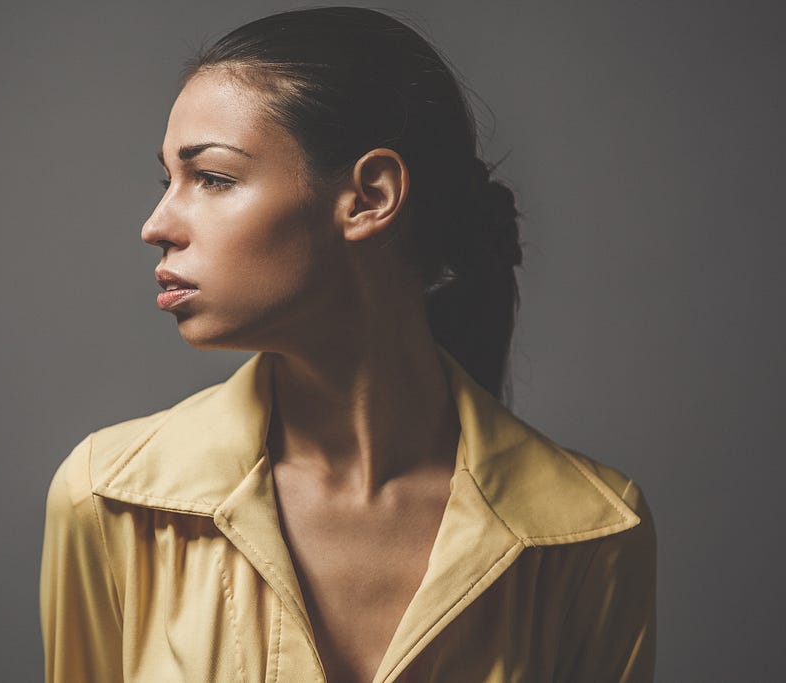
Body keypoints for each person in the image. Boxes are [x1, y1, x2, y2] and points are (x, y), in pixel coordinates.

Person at [39, 7, 656, 682]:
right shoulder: (108, 499)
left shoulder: (592, 530)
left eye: (212, 178)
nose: (157, 225)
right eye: (169, 181)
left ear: (369, 197)